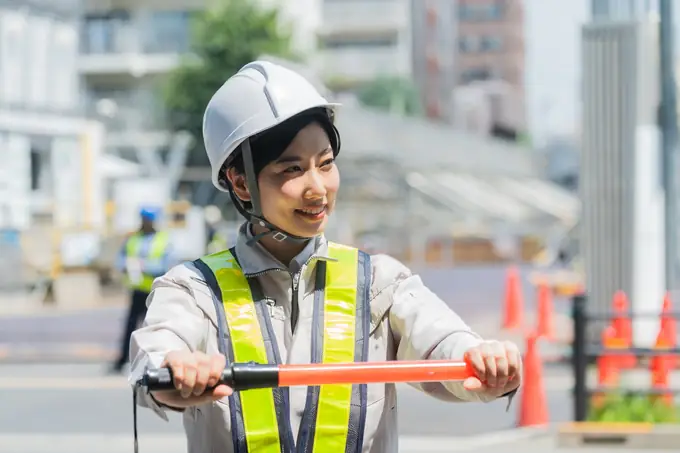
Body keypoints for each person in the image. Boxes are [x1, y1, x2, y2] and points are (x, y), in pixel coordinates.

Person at [129, 61, 522, 453]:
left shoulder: (379, 283)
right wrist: (178, 368)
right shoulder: (194, 290)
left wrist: (483, 359)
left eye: (326, 163)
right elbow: (157, 355)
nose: (317, 188)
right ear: (241, 182)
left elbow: (443, 342)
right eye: (293, 169)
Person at [112, 207, 174, 373]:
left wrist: (143, 265)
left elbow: (166, 264)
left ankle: (156, 360)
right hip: (138, 289)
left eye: (149, 220)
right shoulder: (133, 239)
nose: (146, 223)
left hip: (156, 291)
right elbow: (120, 259)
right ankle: (124, 359)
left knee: (156, 327)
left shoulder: (163, 239)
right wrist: (127, 265)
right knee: (131, 326)